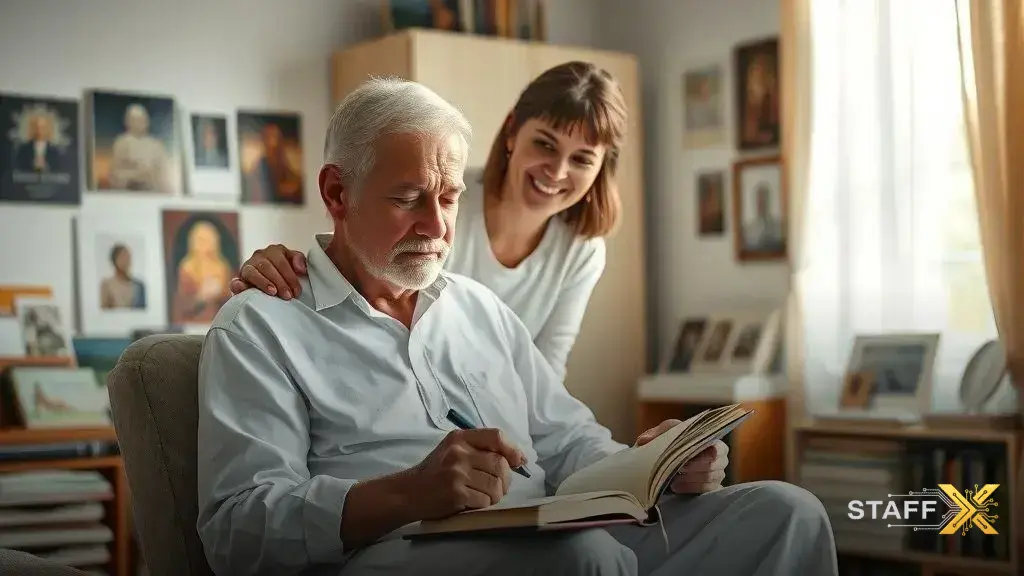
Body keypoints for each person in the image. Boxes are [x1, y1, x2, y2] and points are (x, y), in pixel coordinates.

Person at [197, 76, 838, 576]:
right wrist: (408, 493)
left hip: (551, 539)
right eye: (407, 197)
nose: (436, 225)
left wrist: (654, 465)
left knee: (788, 512)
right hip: (396, 552)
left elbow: (570, 444)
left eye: (449, 198)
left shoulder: (480, 309)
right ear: (337, 194)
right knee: (584, 558)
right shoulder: (261, 327)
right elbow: (235, 532)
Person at [230, 61, 627, 383]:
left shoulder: (581, 250)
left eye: (582, 159)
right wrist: (283, 265)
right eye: (545, 144)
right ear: (512, 131)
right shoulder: (441, 186)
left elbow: (547, 376)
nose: (557, 171)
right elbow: (354, 252)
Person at [171, 220, 232, 324]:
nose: (203, 244)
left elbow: (228, 296)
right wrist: (201, 296)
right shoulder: (187, 266)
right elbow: (182, 301)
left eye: (207, 240)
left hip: (218, 319)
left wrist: (218, 292)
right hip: (194, 319)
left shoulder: (222, 266)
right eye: (200, 240)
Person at [109, 103, 170, 192]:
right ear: (127, 122)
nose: (140, 123)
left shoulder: (156, 144)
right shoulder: (121, 143)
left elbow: (164, 173)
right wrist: (137, 175)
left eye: (142, 119)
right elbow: (115, 175)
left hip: (154, 192)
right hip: (130, 193)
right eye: (135, 120)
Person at [100, 244, 147, 309]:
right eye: (123, 257)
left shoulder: (139, 286)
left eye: (128, 257)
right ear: (115, 260)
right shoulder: (107, 285)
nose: (126, 261)